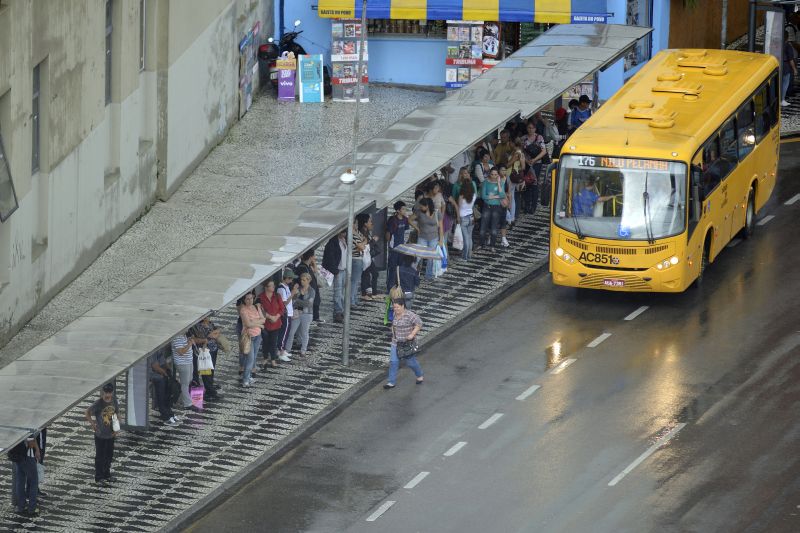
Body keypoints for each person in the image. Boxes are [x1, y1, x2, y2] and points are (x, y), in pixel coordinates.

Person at [383, 298, 424, 389]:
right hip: (396, 342)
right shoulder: (394, 314)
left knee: (411, 362)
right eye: (394, 307)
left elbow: (419, 323)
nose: (395, 309)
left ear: (403, 306)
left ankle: (419, 375)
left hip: (407, 343)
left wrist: (412, 334)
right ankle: (391, 382)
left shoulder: (410, 315)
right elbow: (393, 325)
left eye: (397, 307)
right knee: (393, 362)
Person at [85, 383, 119, 484]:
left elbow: (116, 413)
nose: (107, 395)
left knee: (109, 455)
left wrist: (116, 428)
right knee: (100, 457)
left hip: (111, 434)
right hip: (100, 435)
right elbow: (87, 412)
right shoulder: (98, 403)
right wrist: (93, 424)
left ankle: (106, 474)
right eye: (106, 392)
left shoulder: (114, 401)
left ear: (112, 392)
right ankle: (98, 477)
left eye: (109, 392)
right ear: (103, 392)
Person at [188, 314, 222, 400]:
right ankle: (208, 392)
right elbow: (197, 339)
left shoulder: (209, 323)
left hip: (212, 350)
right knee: (204, 372)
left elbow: (217, 330)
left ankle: (209, 389)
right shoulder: (197, 326)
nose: (208, 317)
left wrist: (212, 334)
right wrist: (208, 337)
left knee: (210, 370)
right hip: (202, 353)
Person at [410, 197, 443, 280]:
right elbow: (409, 219)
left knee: (431, 257)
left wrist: (441, 240)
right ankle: (412, 272)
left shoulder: (437, 212)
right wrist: (417, 228)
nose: (421, 208)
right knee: (417, 256)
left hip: (434, 238)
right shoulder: (419, 212)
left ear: (427, 206)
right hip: (422, 237)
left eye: (422, 206)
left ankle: (428, 275)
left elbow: (441, 227)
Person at [385, 201, 415, 292]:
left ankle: (398, 285)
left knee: (401, 267)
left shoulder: (405, 220)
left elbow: (406, 232)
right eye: (403, 209)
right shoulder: (392, 220)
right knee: (393, 268)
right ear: (398, 210)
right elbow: (388, 233)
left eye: (405, 209)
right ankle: (390, 287)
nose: (405, 211)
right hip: (394, 248)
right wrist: (389, 245)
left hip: (402, 247)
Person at [8, 432, 40, 516]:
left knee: (20, 482)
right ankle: (31, 509)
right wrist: (36, 448)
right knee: (34, 482)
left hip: (17, 458)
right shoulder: (26, 426)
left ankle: (21, 507)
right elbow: (30, 443)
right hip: (27, 457)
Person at [285, 272, 315, 357]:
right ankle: (287, 350)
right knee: (291, 332)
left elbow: (309, 304)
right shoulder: (298, 289)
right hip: (297, 313)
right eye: (301, 280)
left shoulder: (312, 291)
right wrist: (298, 300)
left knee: (304, 333)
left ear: (308, 280)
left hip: (307, 314)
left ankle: (303, 350)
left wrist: (298, 301)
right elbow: (293, 302)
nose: (302, 281)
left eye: (304, 280)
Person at [450, 169, 477, 260]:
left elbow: (459, 206)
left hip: (463, 218)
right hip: (471, 217)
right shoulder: (473, 195)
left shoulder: (461, 196)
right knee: (470, 237)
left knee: (465, 239)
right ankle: (469, 255)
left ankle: (465, 257)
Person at [258, 279, 285, 369]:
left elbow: (282, 308)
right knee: (265, 342)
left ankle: (273, 359)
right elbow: (260, 310)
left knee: (273, 342)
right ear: (266, 287)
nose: (273, 287)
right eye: (271, 286)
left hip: (276, 324)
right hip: (265, 324)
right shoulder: (260, 297)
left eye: (274, 285)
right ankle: (265, 358)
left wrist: (276, 317)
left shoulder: (277, 296)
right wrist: (270, 317)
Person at [239, 290, 265, 385]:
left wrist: (258, 323)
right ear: (244, 300)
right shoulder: (243, 310)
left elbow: (263, 320)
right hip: (249, 337)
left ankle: (249, 376)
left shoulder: (255, 307)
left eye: (251, 298)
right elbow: (248, 324)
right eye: (247, 299)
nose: (250, 300)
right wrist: (259, 324)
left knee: (253, 358)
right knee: (250, 359)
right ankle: (245, 379)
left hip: (258, 336)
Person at [149, 348, 180, 425]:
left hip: (161, 374)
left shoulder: (159, 349)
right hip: (154, 375)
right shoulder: (153, 351)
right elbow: (155, 366)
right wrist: (165, 374)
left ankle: (169, 412)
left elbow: (163, 362)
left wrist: (169, 371)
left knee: (167, 394)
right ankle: (165, 415)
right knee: (161, 395)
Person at [322, 231, 347, 322]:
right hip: (338, 270)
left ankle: (341, 310)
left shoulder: (345, 240)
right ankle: (338, 312)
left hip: (344, 269)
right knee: (338, 292)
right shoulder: (333, 242)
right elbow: (330, 257)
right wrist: (335, 270)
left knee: (342, 292)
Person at [479, 167, 507, 248]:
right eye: (492, 174)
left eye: (495, 174)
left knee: (494, 228)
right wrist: (496, 196)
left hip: (496, 207)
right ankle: (481, 244)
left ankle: (492, 246)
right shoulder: (485, 182)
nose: (494, 176)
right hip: (487, 206)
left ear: (498, 175)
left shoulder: (501, 182)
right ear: (489, 174)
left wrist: (498, 183)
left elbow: (502, 195)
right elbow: (483, 196)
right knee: (483, 227)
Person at [357, 213, 381, 300]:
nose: (372, 223)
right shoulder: (362, 232)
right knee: (368, 274)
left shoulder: (366, 231)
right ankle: (365, 293)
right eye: (370, 221)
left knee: (371, 274)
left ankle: (372, 293)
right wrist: (373, 241)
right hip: (364, 257)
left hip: (368, 257)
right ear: (365, 223)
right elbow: (366, 246)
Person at [170, 332, 197, 411]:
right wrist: (189, 344)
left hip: (188, 362)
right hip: (182, 363)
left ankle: (180, 399)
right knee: (185, 384)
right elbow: (181, 352)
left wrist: (190, 341)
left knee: (189, 380)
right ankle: (187, 404)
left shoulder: (184, 336)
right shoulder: (176, 338)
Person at [295, 249, 322, 322]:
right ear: (311, 257)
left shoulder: (308, 266)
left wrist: (314, 263)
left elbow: (315, 274)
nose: (315, 257)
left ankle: (315, 318)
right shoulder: (303, 268)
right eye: (314, 256)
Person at [277, 269, 297, 360]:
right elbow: (284, 303)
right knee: (284, 332)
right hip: (285, 313)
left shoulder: (286, 287)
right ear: (287, 278)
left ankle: (283, 349)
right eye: (291, 279)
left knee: (286, 332)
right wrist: (293, 293)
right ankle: (280, 351)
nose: (292, 281)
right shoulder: (281, 288)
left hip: (288, 313)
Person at [350, 219, 367, 307]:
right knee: (354, 281)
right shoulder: (351, 234)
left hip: (360, 258)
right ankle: (351, 300)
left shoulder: (357, 232)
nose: (357, 224)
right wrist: (361, 245)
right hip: (355, 259)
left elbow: (365, 240)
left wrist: (361, 244)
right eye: (355, 223)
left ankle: (354, 298)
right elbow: (360, 246)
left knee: (356, 281)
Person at [782, 29, 798, 107]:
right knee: (785, 84)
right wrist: (794, 69)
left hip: (777, 65)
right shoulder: (788, 46)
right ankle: (782, 100)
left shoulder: (776, 43)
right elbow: (791, 59)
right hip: (785, 67)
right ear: (787, 38)